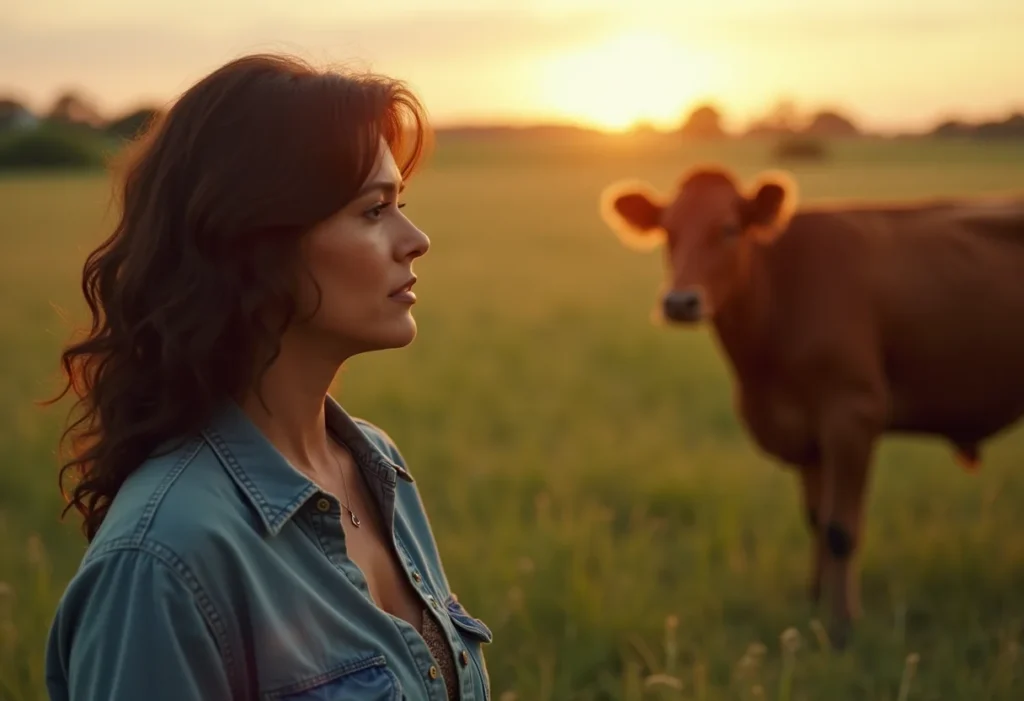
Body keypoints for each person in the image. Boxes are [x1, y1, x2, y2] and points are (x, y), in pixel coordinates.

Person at [43, 52, 492, 701]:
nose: (415, 238)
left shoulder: (377, 466)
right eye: (373, 210)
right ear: (255, 240)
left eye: (402, 203)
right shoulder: (162, 558)